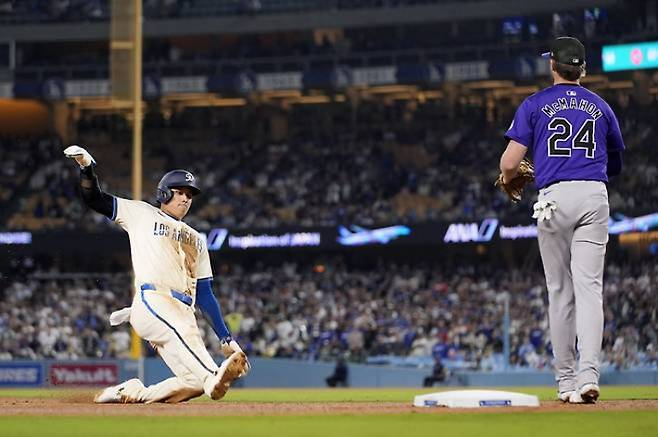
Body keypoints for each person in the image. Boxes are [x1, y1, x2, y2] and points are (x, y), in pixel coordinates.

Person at [64, 145, 250, 403]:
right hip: (152, 300)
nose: (185, 198)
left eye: (190, 195)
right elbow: (95, 199)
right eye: (179, 192)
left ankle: (132, 392)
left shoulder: (197, 239)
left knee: (191, 383)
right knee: (197, 358)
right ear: (163, 193)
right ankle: (213, 377)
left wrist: (225, 337)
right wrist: (87, 168)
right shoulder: (141, 213)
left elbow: (205, 294)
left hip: (183, 310)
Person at [499, 37, 625, 404]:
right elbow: (615, 163)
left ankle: (566, 382)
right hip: (593, 195)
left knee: (560, 292)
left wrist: (510, 179)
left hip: (554, 197)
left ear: (552, 65)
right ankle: (589, 377)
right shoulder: (602, 107)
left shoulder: (535, 104)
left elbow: (509, 163)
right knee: (590, 290)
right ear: (582, 69)